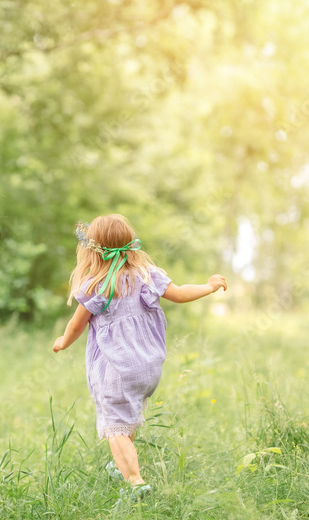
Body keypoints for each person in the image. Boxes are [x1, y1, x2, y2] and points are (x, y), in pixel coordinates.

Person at [52, 214, 226, 502]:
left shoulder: (97, 284)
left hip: (117, 369)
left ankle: (135, 480)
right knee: (126, 420)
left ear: (92, 251)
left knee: (114, 426)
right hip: (149, 366)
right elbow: (181, 293)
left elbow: (76, 324)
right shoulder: (147, 274)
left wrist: (62, 341)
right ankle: (120, 466)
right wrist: (208, 286)